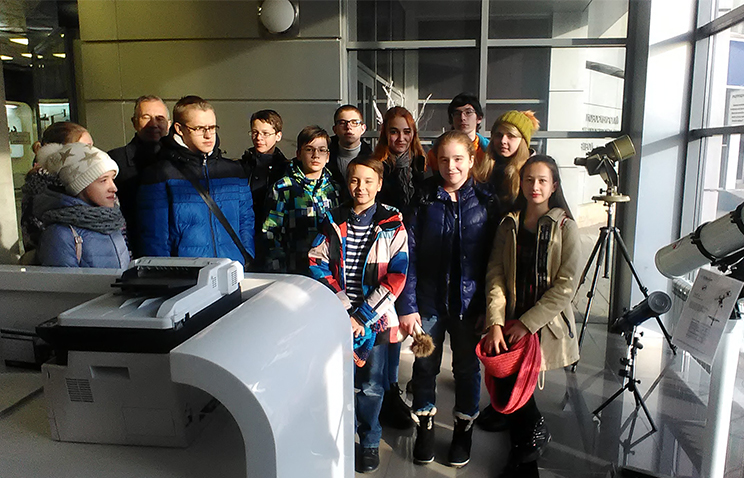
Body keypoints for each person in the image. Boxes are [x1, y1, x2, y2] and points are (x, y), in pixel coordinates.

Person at [398, 131, 498, 468]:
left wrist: (488, 308)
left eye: (458, 159)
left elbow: (493, 260)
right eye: (444, 159)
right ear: (435, 162)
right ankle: (425, 428)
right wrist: (408, 306)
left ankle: (463, 430)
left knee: (467, 369)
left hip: (470, 306)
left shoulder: (486, 200)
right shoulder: (423, 198)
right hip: (428, 303)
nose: (451, 166)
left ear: (471, 160)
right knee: (424, 365)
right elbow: (408, 255)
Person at [481, 155, 581, 477]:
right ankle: (527, 436)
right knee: (510, 381)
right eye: (528, 179)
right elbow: (495, 274)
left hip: (541, 324)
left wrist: (528, 324)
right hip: (509, 320)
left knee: (518, 386)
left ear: (554, 186)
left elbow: (566, 287)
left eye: (542, 180)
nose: (534, 186)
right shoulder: (509, 223)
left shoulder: (565, 227)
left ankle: (525, 458)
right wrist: (496, 322)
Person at [308, 156, 408, 474]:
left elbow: (397, 276)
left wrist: (362, 316)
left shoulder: (392, 224)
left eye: (368, 181)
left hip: (375, 317)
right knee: (337, 381)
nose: (360, 187)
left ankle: (369, 441)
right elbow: (316, 261)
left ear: (379, 184)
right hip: (338, 313)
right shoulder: (333, 219)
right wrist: (343, 305)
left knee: (371, 385)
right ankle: (340, 437)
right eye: (354, 180)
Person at [137, 95, 255, 267]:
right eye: (199, 128)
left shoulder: (233, 170)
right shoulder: (160, 174)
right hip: (186, 276)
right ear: (179, 129)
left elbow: (246, 221)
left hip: (232, 271)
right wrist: (165, 275)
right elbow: (155, 238)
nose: (208, 135)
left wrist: (245, 258)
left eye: (212, 127)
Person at [33, 142, 129, 268]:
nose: (113, 188)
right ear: (81, 185)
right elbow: (62, 279)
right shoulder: (60, 234)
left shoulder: (111, 221)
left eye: (113, 179)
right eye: (103, 180)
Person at [262, 125, 339, 275]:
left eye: (321, 150)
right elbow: (271, 232)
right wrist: (277, 269)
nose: (316, 155)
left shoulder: (334, 189)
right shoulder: (283, 188)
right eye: (309, 149)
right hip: (294, 269)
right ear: (298, 154)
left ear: (328, 156)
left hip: (327, 270)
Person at [20, 122, 94, 263]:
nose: (91, 153)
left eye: (91, 147)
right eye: (85, 147)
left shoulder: (83, 181)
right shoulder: (44, 188)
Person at [108, 95, 171, 258]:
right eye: (146, 117)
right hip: (132, 249)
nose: (153, 124)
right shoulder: (115, 161)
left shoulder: (182, 161)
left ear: (169, 124)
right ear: (134, 122)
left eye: (160, 118)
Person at [240, 109, 289, 270]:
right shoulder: (241, 166)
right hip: (246, 236)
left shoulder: (286, 169)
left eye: (265, 133)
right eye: (255, 132)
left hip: (276, 240)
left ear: (278, 136)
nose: (259, 138)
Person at [479, 110, 540, 208]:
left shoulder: (534, 171)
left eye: (511, 136)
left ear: (523, 141)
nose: (503, 141)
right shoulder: (484, 168)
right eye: (499, 135)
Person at [372, 106, 427, 214]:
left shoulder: (423, 163)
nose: (401, 138)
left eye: (406, 132)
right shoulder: (375, 166)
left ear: (413, 134)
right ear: (385, 134)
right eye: (394, 132)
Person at [425, 93, 489, 174]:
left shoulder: (488, 151)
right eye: (457, 113)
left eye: (468, 112)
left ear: (479, 118)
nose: (462, 118)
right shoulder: (437, 150)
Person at [328, 104, 372, 201]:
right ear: (335, 129)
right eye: (342, 123)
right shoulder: (323, 157)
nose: (348, 127)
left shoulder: (373, 159)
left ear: (363, 128)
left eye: (354, 122)